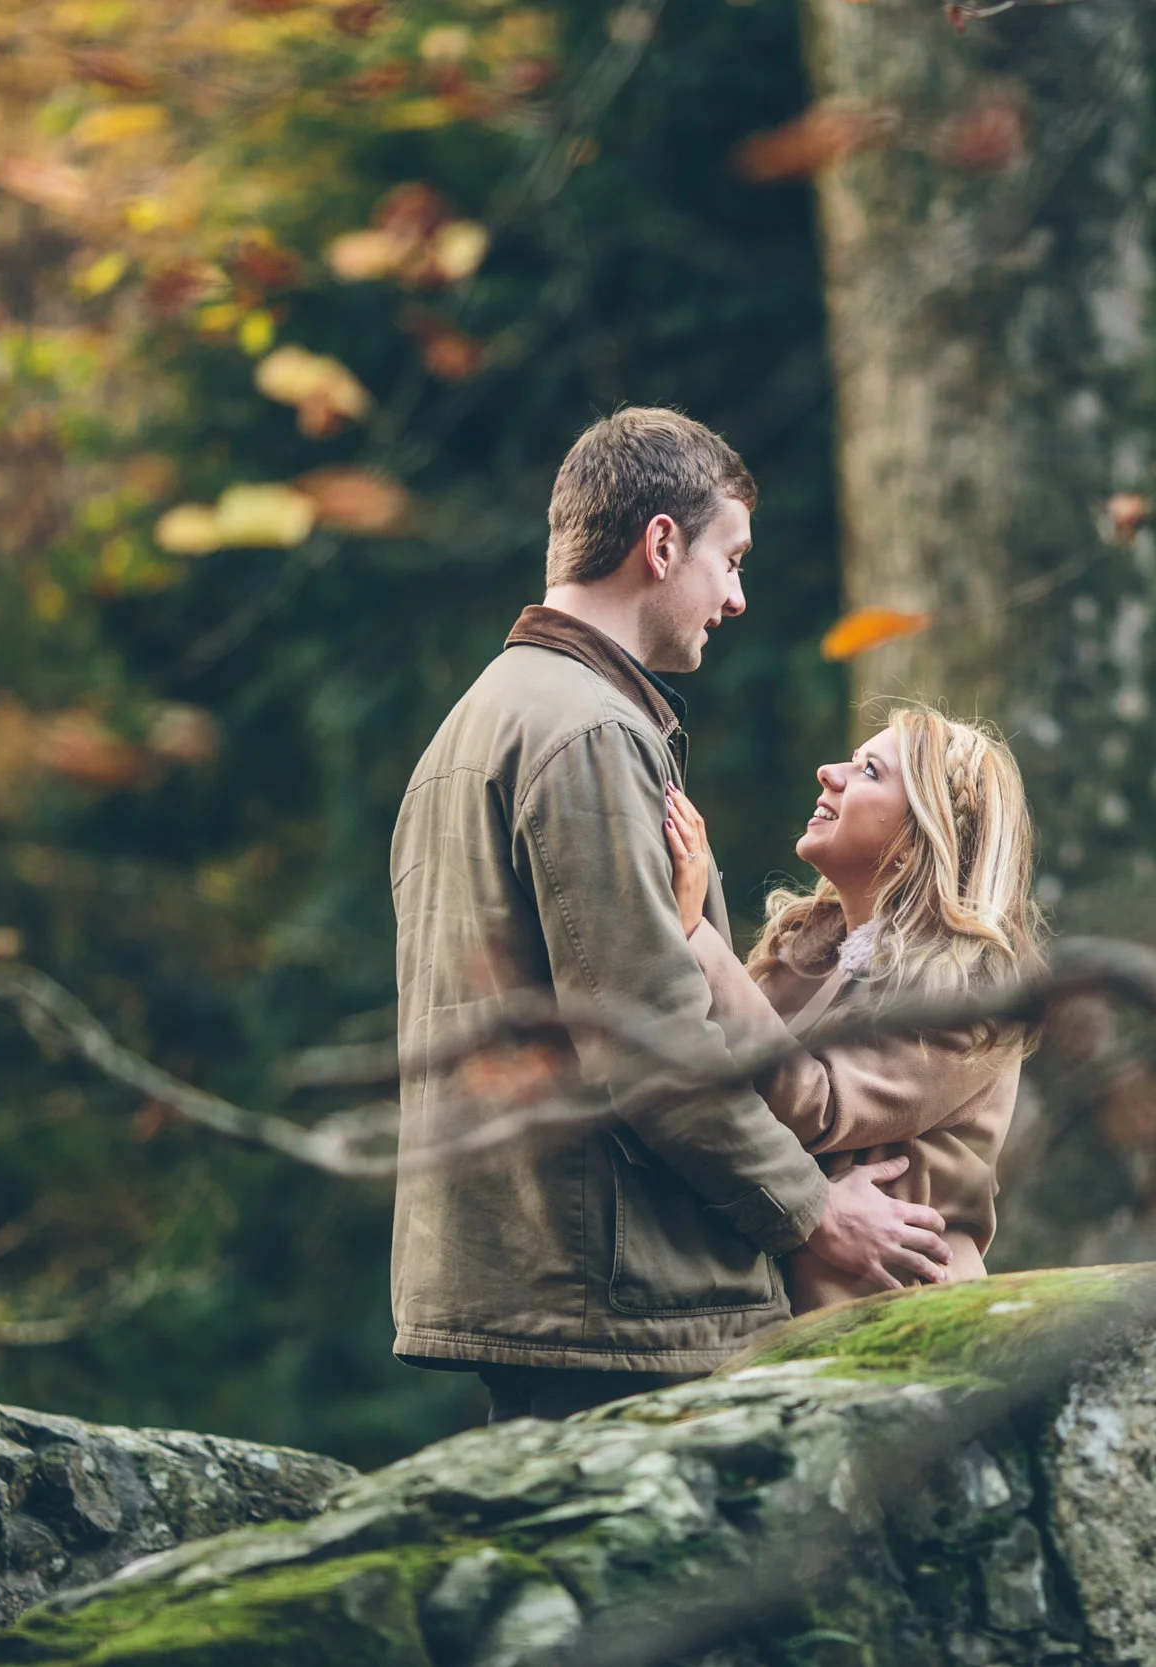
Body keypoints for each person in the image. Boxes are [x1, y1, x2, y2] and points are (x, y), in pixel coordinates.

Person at [388, 408, 952, 1424]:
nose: (736, 597)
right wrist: (812, 1211)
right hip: (619, 1297)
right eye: (729, 559)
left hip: (548, 1282)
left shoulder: (477, 721)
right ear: (660, 544)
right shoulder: (588, 731)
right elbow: (646, 1038)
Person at [662, 705, 1045, 1312]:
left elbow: (814, 1104)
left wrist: (693, 931)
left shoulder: (968, 997)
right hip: (789, 1316)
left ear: (923, 834)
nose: (828, 772)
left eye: (869, 771)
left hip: (905, 1328)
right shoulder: (809, 955)